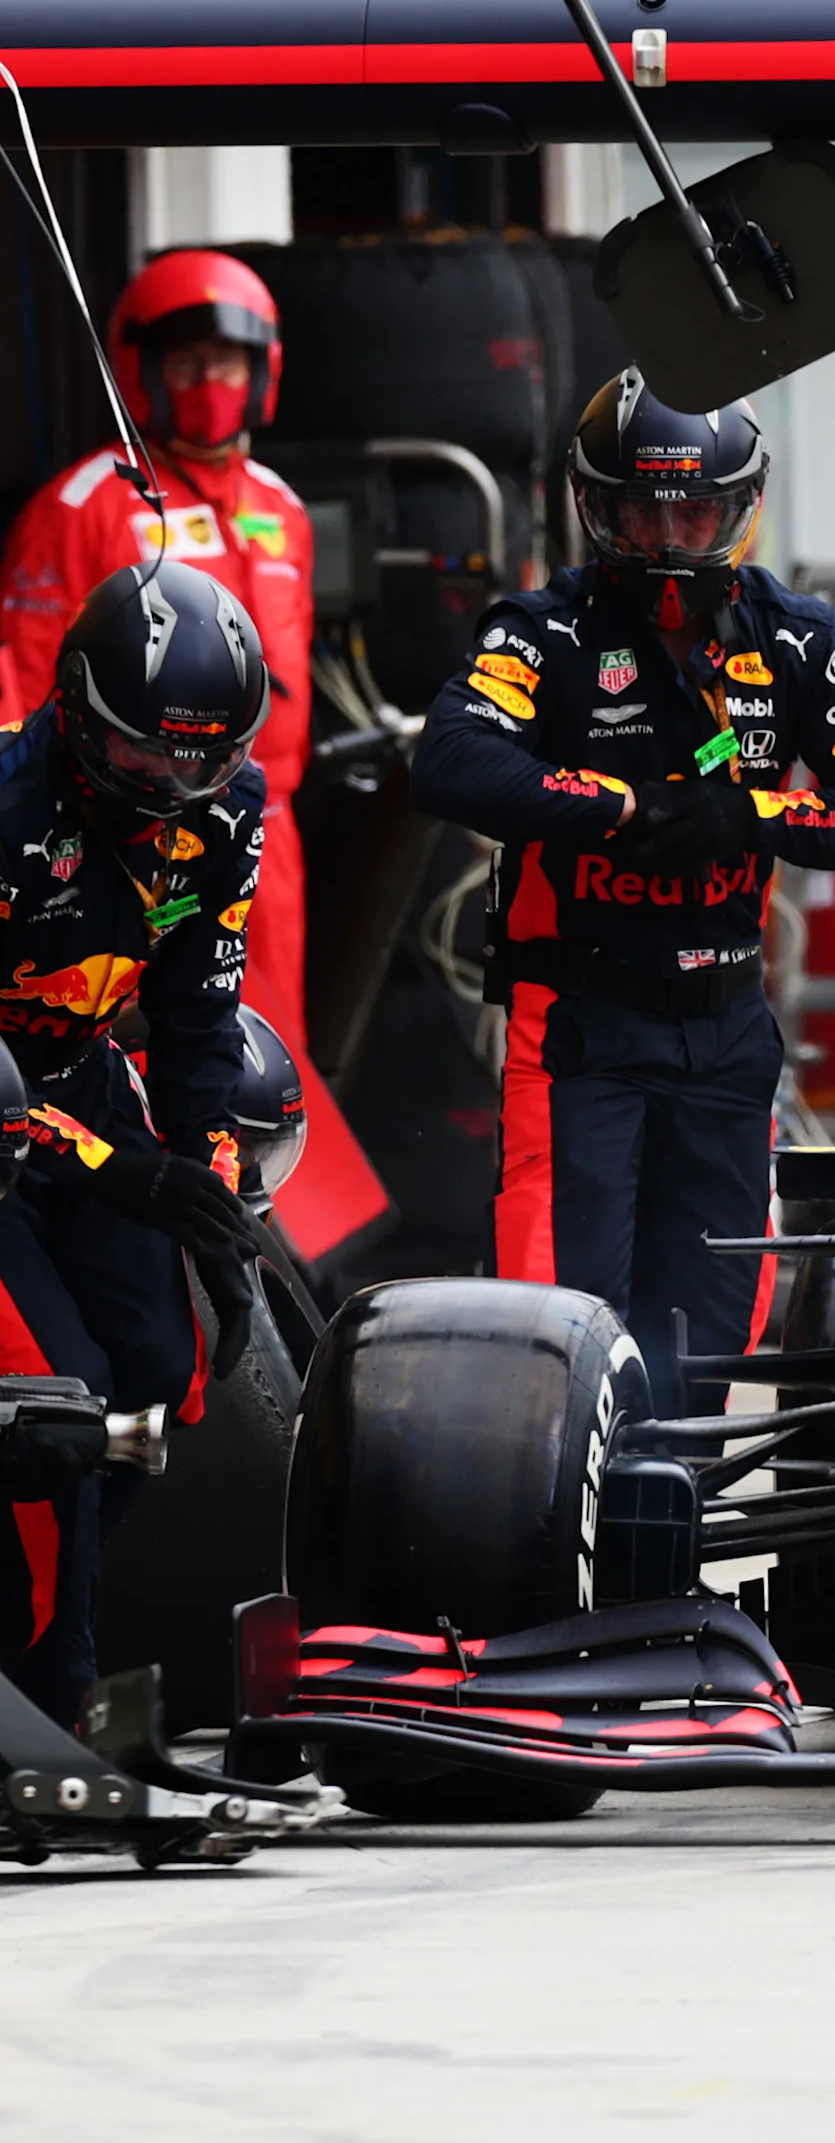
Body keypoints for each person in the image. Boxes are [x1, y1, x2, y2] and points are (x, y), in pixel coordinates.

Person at [411, 373, 835, 1420]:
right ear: (598, 506)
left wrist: (752, 818)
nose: (669, 534)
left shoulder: (790, 636)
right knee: (558, 1339)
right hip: (579, 1035)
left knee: (707, 1345)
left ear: (739, 506)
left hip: (727, 1034)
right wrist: (624, 809)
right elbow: (451, 762)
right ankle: (554, 1573)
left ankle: (671, 1560)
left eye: (694, 509)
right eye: (643, 508)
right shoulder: (544, 632)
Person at [0, 248, 385, 1265]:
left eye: (226, 361)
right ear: (141, 370)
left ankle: (273, 1264)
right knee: (117, 1057)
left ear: (264, 370)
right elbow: (28, 699)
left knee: (261, 1049)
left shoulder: (285, 506)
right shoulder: (82, 505)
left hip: (254, 823)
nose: (207, 384)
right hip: (101, 834)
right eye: (184, 363)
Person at [0, 565, 272, 1727]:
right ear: (77, 711)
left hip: (86, 1094)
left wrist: (212, 1180)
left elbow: (202, 1020)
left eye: (197, 761)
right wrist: (128, 1174)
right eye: (145, 758)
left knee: (164, 1377)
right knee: (63, 1408)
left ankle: (47, 1654)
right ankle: (50, 1693)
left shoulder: (226, 812)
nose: (171, 787)